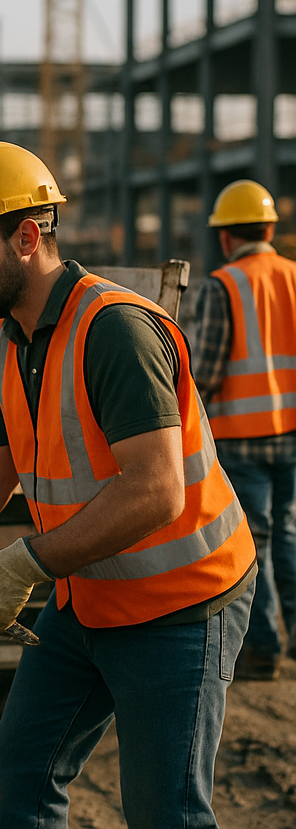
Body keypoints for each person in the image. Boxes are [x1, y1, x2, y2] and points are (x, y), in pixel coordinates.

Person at [0, 141, 257, 828]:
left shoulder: (114, 330)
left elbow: (157, 490)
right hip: (87, 596)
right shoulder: (6, 339)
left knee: (164, 812)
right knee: (22, 772)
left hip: (181, 605)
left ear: (26, 237)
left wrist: (24, 561)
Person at [191, 179, 296, 681]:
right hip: (292, 434)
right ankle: (289, 636)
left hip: (242, 437)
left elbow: (205, 372)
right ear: (270, 228)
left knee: (257, 542)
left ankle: (263, 649)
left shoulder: (223, 284)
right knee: (288, 534)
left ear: (226, 236)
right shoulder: (295, 276)